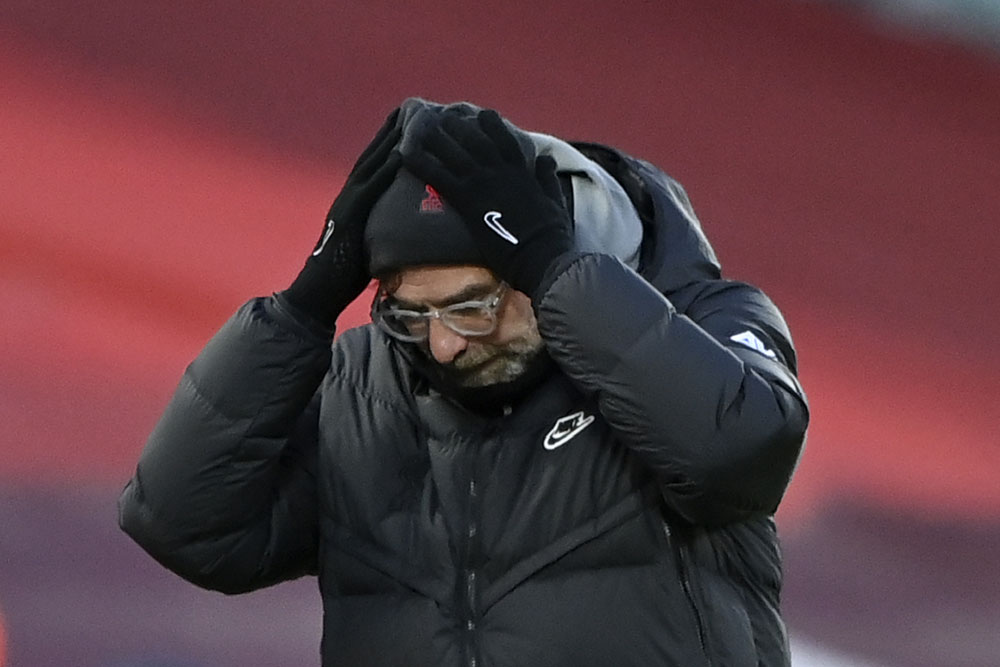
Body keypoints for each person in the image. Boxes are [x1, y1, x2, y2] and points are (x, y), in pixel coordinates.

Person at [119, 98, 809, 666]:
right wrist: (304, 304)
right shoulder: (365, 385)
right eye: (411, 312)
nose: (444, 345)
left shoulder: (706, 324)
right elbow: (184, 524)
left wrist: (555, 270)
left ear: (553, 269)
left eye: (473, 307)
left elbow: (738, 453)